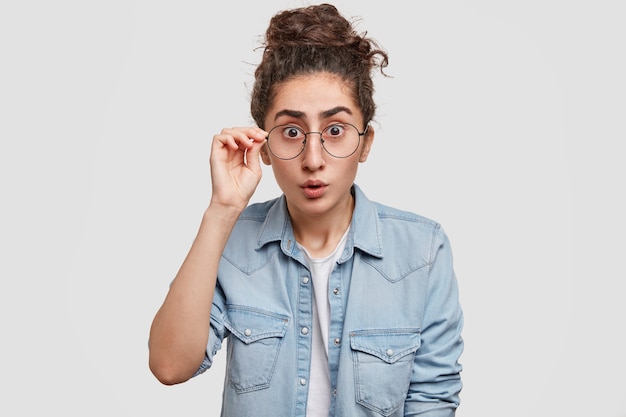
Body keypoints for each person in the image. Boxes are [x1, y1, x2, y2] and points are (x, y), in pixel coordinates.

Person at [148, 3, 464, 416]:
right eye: (291, 131)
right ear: (262, 144)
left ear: (365, 142)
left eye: (335, 130)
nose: (313, 158)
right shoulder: (232, 242)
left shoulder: (422, 251)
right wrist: (222, 210)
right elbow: (170, 366)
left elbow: (432, 399)